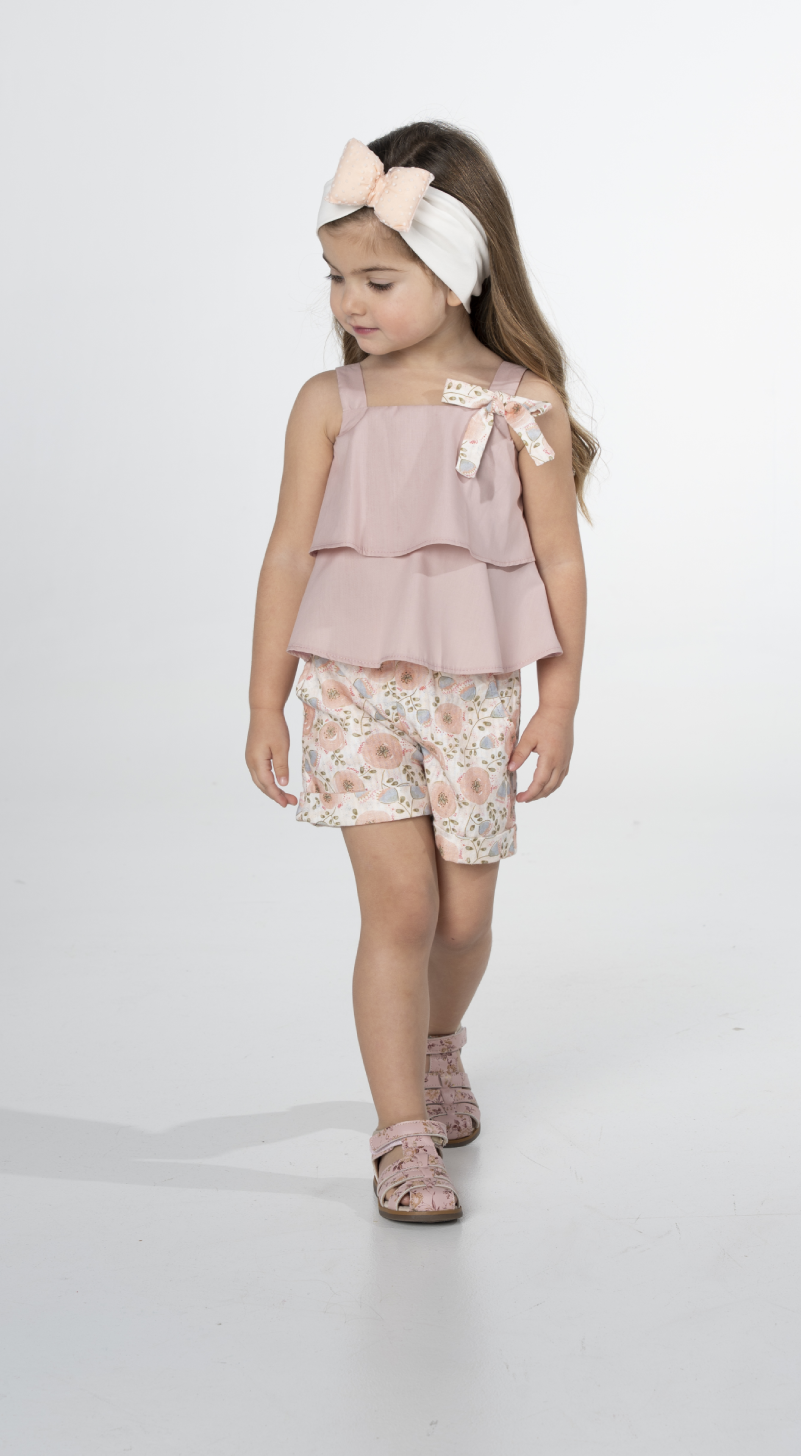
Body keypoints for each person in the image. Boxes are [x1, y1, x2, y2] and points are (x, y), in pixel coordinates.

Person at [245, 123, 595, 1224]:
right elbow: (287, 553)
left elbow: (560, 558)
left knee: (462, 921)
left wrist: (559, 700)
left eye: (378, 280)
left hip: (473, 695)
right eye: (336, 278)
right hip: (350, 691)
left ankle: (440, 1043)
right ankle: (400, 1134)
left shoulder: (521, 403)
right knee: (398, 910)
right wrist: (265, 700)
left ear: (455, 276)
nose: (349, 303)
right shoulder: (328, 403)